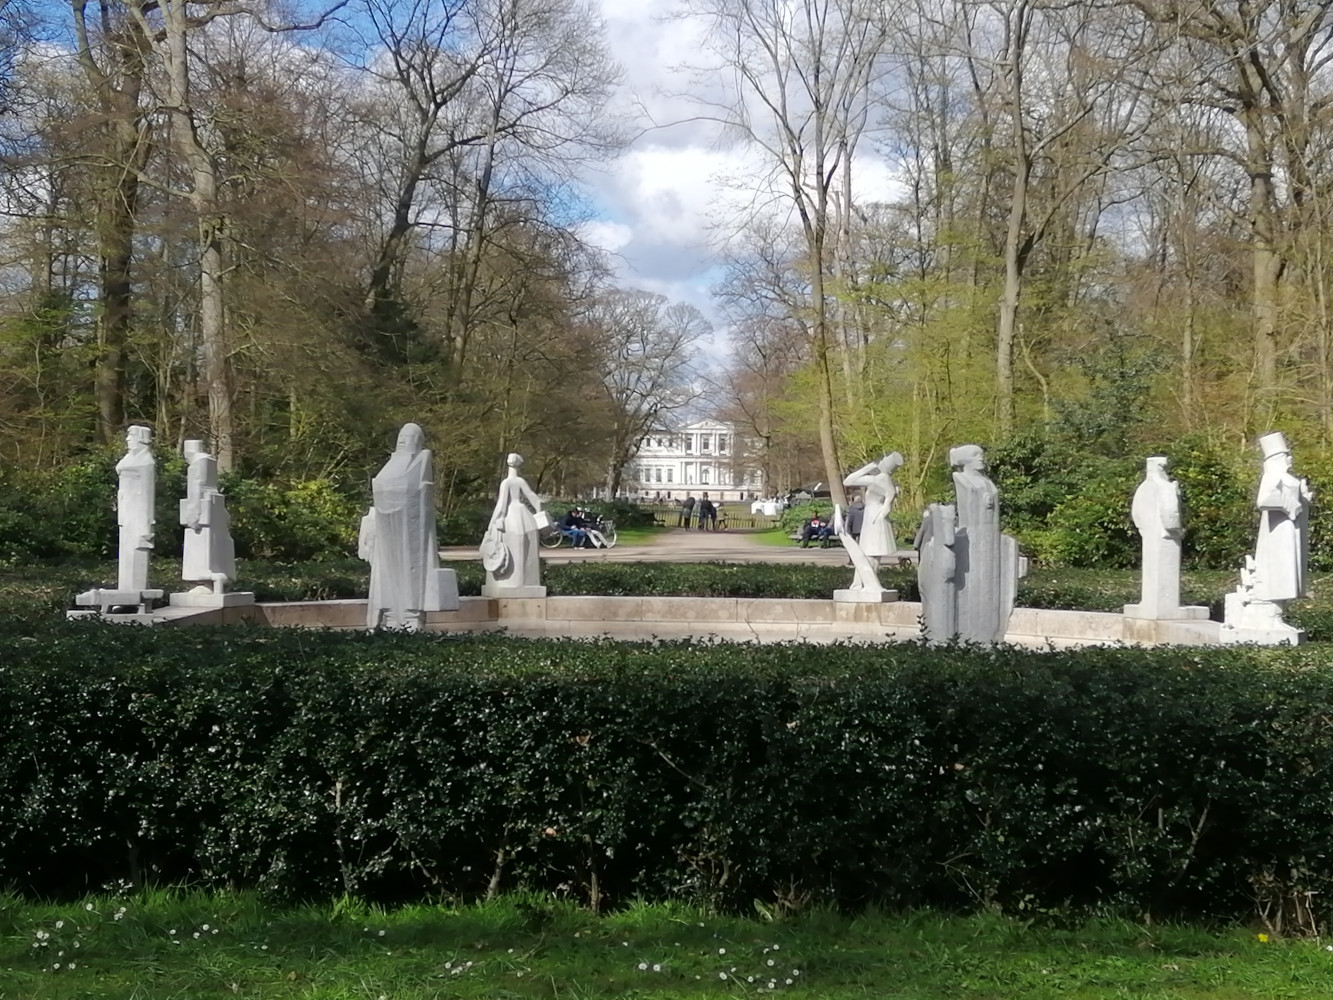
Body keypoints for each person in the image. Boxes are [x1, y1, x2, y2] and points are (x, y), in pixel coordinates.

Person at [481, 452, 545, 593]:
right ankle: (526, 583)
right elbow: (532, 497)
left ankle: (512, 581)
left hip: (510, 517)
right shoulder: (520, 481)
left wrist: (495, 521)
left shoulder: (506, 483)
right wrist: (539, 511)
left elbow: (502, 504)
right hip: (523, 515)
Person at [844, 452, 903, 560]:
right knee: (874, 553)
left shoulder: (876, 479)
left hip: (872, 515)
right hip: (876, 514)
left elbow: (847, 481)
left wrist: (868, 468)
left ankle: (868, 574)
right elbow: (887, 506)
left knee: (871, 552)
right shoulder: (889, 484)